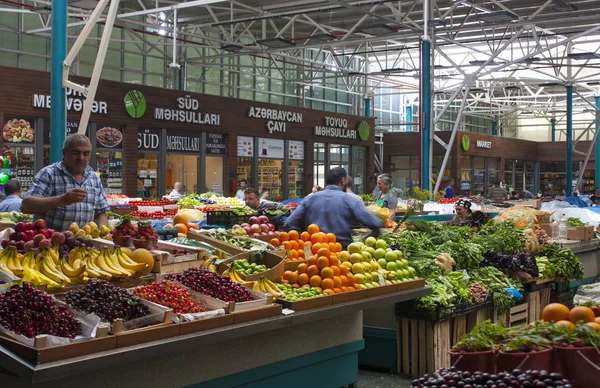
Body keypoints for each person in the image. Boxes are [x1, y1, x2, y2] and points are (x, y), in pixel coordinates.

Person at [22, 134, 110, 231]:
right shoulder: (49, 174)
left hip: (84, 244)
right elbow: (26, 206)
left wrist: (103, 232)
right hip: (51, 243)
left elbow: (101, 212)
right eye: (75, 152)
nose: (81, 158)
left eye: (86, 153)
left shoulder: (94, 178)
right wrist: (62, 200)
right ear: (64, 153)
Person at [284, 167, 383, 248]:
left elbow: (289, 224)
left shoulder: (309, 199)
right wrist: (363, 241)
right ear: (343, 181)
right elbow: (375, 223)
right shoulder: (351, 200)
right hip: (340, 252)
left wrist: (303, 240)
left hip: (314, 252)